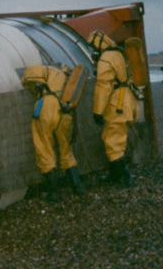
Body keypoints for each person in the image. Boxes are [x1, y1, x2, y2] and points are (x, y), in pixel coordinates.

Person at [21, 65, 84, 202]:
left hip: (45, 106)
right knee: (66, 149)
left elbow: (27, 78)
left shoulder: (45, 72)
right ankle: (78, 187)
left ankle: (54, 193)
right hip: (64, 109)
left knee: (44, 147)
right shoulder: (65, 78)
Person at [87, 31, 139, 187]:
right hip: (127, 100)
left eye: (93, 47)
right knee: (118, 138)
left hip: (117, 104)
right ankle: (116, 174)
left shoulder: (106, 59)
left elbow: (103, 86)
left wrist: (98, 111)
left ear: (98, 44)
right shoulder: (119, 54)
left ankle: (123, 178)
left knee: (112, 140)